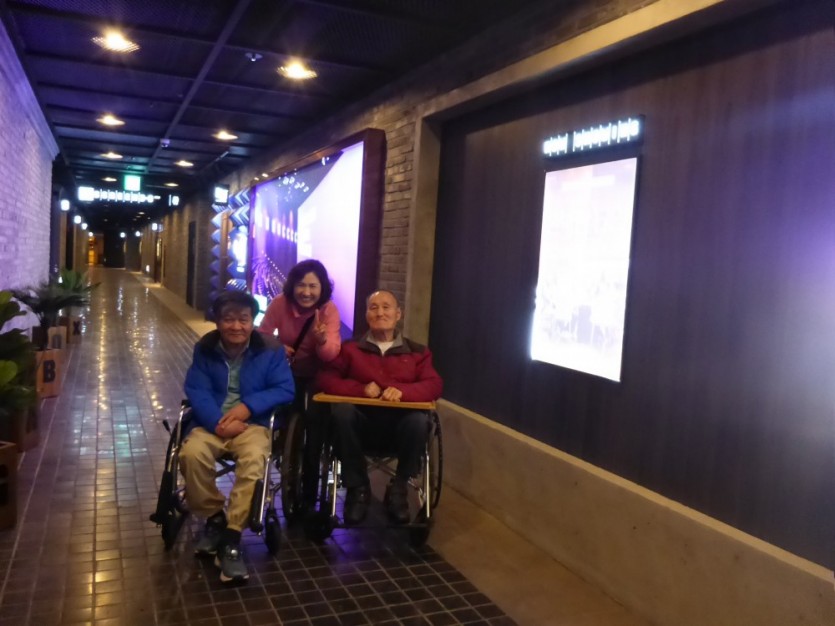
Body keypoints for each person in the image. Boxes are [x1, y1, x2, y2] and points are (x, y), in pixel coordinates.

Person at [182, 290, 294, 583]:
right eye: (228, 319)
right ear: (218, 322)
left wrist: (248, 407)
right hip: (212, 424)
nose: (236, 326)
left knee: (255, 460)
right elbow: (197, 389)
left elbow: (285, 389)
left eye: (243, 319)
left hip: (251, 425)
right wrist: (217, 423)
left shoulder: (270, 350)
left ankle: (232, 536)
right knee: (190, 455)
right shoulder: (205, 348)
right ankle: (215, 517)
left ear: (253, 322)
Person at [316, 289, 443, 525]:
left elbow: (434, 385)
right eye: (373, 308)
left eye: (386, 307)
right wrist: (360, 389)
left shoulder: (418, 352)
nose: (380, 313)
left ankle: (399, 488)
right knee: (342, 413)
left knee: (419, 421)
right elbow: (326, 379)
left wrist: (403, 392)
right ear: (366, 315)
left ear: (398, 314)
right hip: (360, 427)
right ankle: (358, 487)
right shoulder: (350, 348)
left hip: (401, 429)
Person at [257, 259, 342, 508]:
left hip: (319, 372)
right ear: (292, 286)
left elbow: (331, 354)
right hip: (290, 370)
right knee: (288, 417)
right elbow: (262, 336)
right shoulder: (279, 304)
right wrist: (277, 346)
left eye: (313, 286)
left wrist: (321, 340)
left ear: (322, 287)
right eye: (301, 285)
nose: (306, 292)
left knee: (316, 426)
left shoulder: (328, 310)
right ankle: (288, 460)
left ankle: (310, 490)